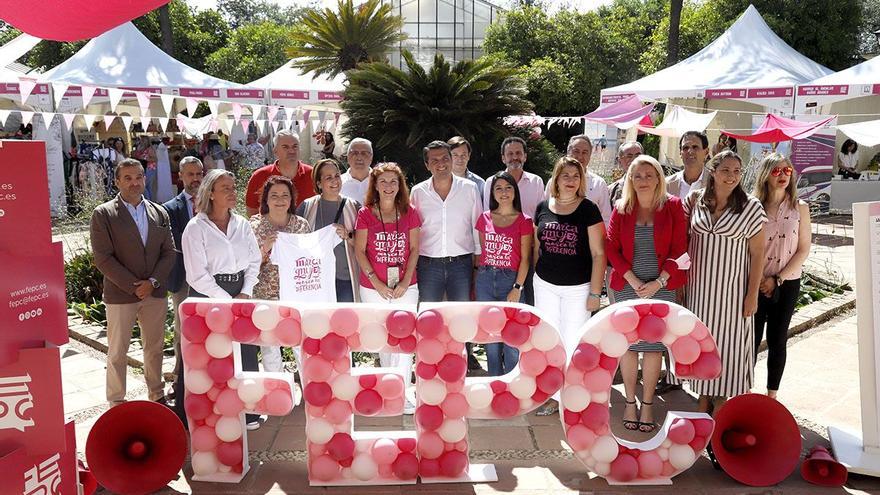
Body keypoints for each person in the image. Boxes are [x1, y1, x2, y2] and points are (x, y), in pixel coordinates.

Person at [605, 155, 688, 432]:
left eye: (649, 175)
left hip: (661, 285)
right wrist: (632, 279)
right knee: (629, 345)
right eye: (637, 175)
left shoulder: (673, 206)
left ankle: (648, 404)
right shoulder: (621, 207)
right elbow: (611, 248)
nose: (643, 180)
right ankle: (630, 401)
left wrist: (658, 283)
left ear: (658, 178)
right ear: (630, 179)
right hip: (628, 285)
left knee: (652, 346)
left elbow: (680, 249)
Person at [684, 150, 766, 414]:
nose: (731, 176)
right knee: (701, 342)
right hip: (698, 290)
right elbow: (680, 239)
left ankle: (722, 399)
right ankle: (704, 395)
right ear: (713, 172)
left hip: (732, 291)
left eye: (736, 172)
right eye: (725, 170)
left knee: (727, 345)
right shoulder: (695, 200)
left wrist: (752, 294)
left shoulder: (751, 207)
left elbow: (758, 254)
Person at [89, 158, 176, 407]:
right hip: (120, 294)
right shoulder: (104, 214)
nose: (134, 183)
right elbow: (103, 258)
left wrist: (153, 282)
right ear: (117, 181)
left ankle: (156, 394)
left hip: (154, 293)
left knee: (155, 347)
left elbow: (169, 252)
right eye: (127, 178)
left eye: (138, 177)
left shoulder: (159, 212)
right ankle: (116, 401)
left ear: (144, 179)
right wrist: (135, 286)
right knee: (118, 351)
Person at [182, 169, 263, 428]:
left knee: (246, 351)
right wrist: (225, 299)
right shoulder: (196, 228)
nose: (232, 192)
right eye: (225, 188)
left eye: (233, 187)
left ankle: (249, 411)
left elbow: (254, 260)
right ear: (211, 194)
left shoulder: (241, 224)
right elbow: (196, 275)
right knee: (210, 355)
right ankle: (209, 412)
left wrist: (245, 291)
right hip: (208, 294)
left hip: (240, 291)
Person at [533, 156, 606, 416]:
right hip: (545, 285)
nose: (571, 180)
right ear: (556, 178)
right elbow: (536, 247)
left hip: (578, 287)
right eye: (566, 175)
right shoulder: (542, 206)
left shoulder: (588, 209)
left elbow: (599, 254)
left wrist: (596, 292)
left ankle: (572, 395)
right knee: (551, 341)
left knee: (573, 342)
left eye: (576, 176)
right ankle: (552, 395)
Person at [355, 163, 421, 413]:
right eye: (383, 182)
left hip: (406, 286)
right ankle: (387, 391)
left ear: (400, 185)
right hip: (374, 288)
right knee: (382, 339)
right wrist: (377, 282)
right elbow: (359, 251)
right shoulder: (365, 214)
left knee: (404, 340)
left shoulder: (410, 212)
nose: (388, 187)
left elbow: (414, 249)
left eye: (394, 181)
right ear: (375, 186)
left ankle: (402, 393)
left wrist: (405, 281)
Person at [412, 141, 483, 372]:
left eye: (445, 158)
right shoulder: (418, 192)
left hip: (460, 265)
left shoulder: (469, 189)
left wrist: (477, 259)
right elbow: (413, 229)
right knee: (428, 316)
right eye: (434, 160)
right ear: (426, 164)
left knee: (459, 317)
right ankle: (427, 364)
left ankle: (457, 364)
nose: (441, 164)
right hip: (428, 264)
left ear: (452, 160)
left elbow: (477, 225)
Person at [752, 153, 811, 399]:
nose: (783, 176)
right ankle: (743, 390)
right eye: (776, 171)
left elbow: (804, 248)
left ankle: (771, 396)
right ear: (765, 175)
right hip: (755, 282)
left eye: (787, 171)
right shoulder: (753, 206)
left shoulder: (800, 207)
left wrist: (776, 279)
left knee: (777, 340)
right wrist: (760, 281)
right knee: (750, 340)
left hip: (786, 283)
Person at [249, 176, 312, 372]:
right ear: (266, 200)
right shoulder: (254, 226)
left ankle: (308, 394)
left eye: (285, 195)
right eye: (274, 195)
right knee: (270, 350)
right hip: (265, 297)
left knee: (301, 347)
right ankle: (274, 395)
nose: (280, 200)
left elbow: (310, 259)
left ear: (292, 199)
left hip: (297, 296)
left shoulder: (301, 225)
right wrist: (265, 249)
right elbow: (247, 266)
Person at [476, 172, 533, 375]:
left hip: (511, 280)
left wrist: (517, 287)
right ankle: (494, 382)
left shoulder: (524, 220)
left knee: (512, 336)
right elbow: (484, 251)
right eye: (498, 188)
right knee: (491, 336)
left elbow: (525, 258)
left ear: (515, 192)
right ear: (492, 193)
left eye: (508, 187)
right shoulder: (484, 218)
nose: (504, 192)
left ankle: (511, 384)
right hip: (485, 279)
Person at [162, 156, 204, 418]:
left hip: (211, 280)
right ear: (181, 177)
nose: (195, 178)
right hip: (183, 280)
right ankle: (181, 382)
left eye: (198, 173)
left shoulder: (214, 204)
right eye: (189, 174)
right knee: (182, 332)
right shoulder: (169, 209)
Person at [296, 159, 362, 303]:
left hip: (345, 278)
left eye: (337, 175)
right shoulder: (306, 207)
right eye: (328, 177)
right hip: (316, 280)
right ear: (319, 183)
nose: (335, 181)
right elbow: (296, 242)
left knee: (345, 321)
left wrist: (348, 236)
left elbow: (365, 245)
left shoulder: (354, 206)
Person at [245, 130, 315, 215]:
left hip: (308, 227)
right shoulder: (260, 176)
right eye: (285, 147)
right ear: (275, 150)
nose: (291, 151)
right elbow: (251, 211)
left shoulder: (313, 175)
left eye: (295, 146)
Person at [555, 134, 612, 226]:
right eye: (576, 151)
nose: (580, 156)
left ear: (590, 155)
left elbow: (606, 219)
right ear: (568, 152)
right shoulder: (555, 181)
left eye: (585, 152)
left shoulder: (599, 184)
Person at [484, 137, 545, 218]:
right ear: (503, 158)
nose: (515, 157)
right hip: (500, 230)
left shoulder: (536, 182)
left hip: (529, 230)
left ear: (525, 157)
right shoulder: (491, 182)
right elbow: (488, 216)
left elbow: (541, 215)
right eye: (510, 154)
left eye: (518, 153)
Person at [667, 131, 710, 200]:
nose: (690, 151)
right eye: (685, 148)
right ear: (680, 153)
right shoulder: (667, 184)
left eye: (695, 147)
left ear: (706, 152)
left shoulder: (715, 183)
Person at [448, 136, 486, 203]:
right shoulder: (438, 182)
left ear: (469, 156)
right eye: (455, 155)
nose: (460, 159)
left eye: (463, 155)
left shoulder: (479, 184)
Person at [608, 141, 644, 207]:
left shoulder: (652, 187)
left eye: (638, 155)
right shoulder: (611, 190)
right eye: (629, 156)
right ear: (619, 161)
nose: (634, 160)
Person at [340, 137, 373, 204]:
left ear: (371, 157)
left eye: (364, 153)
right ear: (348, 156)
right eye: (354, 153)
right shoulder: (338, 183)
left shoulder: (381, 182)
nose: (359, 157)